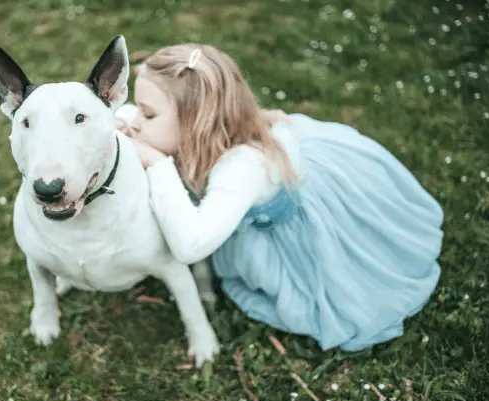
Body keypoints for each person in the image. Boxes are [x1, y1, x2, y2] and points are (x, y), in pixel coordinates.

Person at [113, 43, 444, 352]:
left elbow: (190, 246)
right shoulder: (196, 137)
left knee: (341, 292)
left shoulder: (242, 167)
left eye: (148, 115)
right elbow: (131, 118)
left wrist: (156, 163)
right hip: (248, 179)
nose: (137, 125)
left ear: (195, 123)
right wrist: (121, 121)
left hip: (305, 228)